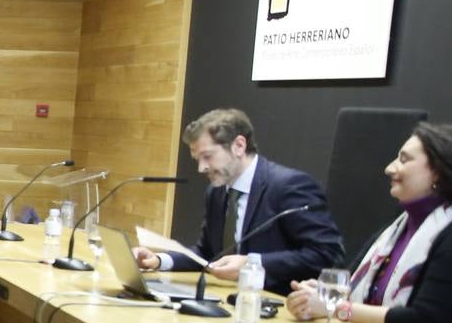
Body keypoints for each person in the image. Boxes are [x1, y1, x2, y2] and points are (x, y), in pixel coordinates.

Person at [285, 123, 452, 323]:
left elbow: (424, 322)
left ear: (440, 171)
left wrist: (335, 308)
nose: (389, 168)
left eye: (404, 160)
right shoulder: (398, 225)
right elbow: (355, 286)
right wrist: (324, 293)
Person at [131, 108, 345, 293]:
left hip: (280, 305)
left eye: (208, 156)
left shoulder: (289, 185)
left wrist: (253, 263)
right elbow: (208, 254)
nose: (201, 168)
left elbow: (327, 254)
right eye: (198, 160)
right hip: (231, 301)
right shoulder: (217, 192)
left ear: (239, 146)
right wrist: (160, 260)